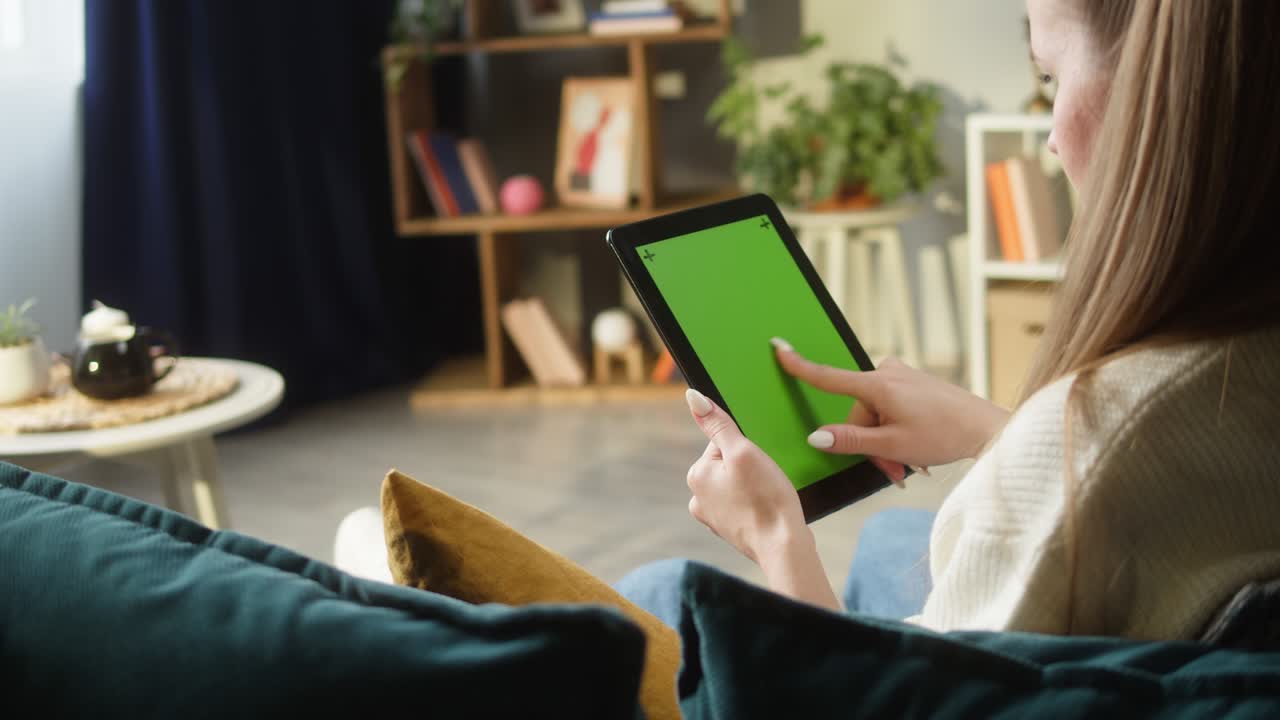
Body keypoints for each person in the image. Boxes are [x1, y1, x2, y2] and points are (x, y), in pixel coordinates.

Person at [618, 0, 1280, 640]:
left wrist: (775, 538)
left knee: (663, 596)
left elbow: (890, 700)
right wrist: (995, 432)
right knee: (887, 542)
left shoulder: (1098, 440)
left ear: (1159, 94)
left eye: (1051, 77)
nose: (1049, 136)